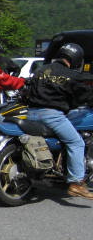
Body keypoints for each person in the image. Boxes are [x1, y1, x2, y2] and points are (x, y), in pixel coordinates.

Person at [24, 43, 93, 199]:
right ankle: (76, 183)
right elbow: (84, 96)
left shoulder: (41, 70)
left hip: (31, 113)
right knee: (76, 143)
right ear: (76, 59)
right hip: (52, 116)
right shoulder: (71, 75)